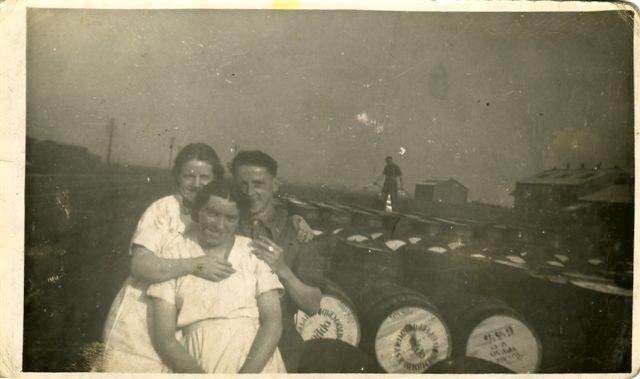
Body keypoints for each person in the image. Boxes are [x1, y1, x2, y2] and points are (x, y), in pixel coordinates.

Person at [99, 143, 312, 372]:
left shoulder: (222, 214)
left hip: (191, 316)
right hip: (143, 312)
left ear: (217, 180)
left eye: (205, 177)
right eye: (189, 176)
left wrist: (296, 219)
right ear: (177, 177)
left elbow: (255, 207)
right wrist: (194, 265)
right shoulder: (164, 209)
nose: (197, 183)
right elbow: (139, 266)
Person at [148, 180, 285, 373]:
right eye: (212, 213)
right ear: (199, 211)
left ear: (239, 220)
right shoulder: (174, 256)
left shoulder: (253, 253)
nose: (219, 225)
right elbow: (165, 339)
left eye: (230, 218)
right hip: (197, 362)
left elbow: (273, 322)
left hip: (256, 362)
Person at [231, 150, 324, 372]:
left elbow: (313, 304)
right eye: (243, 184)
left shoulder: (296, 234)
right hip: (227, 338)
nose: (250, 192)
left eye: (258, 184)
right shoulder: (225, 222)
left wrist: (283, 270)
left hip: (279, 348)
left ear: (275, 185)